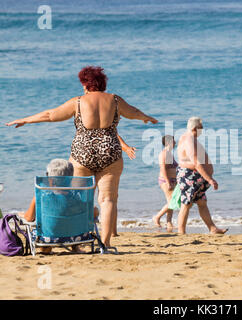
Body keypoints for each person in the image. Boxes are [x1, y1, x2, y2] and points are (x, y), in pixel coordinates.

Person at [7, 66, 158, 248]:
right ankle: (106, 244)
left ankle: (78, 240)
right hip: (109, 153)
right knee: (108, 199)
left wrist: (26, 119)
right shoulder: (115, 100)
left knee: (79, 198)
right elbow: (133, 112)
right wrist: (146, 117)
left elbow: (51, 115)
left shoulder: (78, 102)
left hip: (82, 154)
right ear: (102, 83)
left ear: (85, 84)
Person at [21, 159, 99, 253]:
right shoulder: (76, 198)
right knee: (75, 220)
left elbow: (28, 218)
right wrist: (95, 211)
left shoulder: (42, 197)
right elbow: (92, 213)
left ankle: (46, 248)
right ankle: (75, 247)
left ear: (50, 178)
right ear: (70, 178)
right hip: (76, 237)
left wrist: (22, 216)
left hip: (48, 239)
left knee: (43, 225)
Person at [176, 116, 228, 235]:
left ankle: (212, 228)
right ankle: (181, 232)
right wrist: (209, 179)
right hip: (190, 177)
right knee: (186, 204)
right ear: (195, 128)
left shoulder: (189, 138)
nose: (203, 130)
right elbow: (195, 162)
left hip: (195, 177)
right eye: (201, 128)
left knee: (202, 203)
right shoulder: (189, 139)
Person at [153, 135, 177, 231]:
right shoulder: (164, 154)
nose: (175, 143)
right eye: (173, 141)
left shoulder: (170, 153)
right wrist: (168, 182)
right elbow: (162, 168)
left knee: (170, 202)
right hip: (166, 180)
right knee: (172, 202)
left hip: (172, 180)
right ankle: (157, 217)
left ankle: (169, 223)